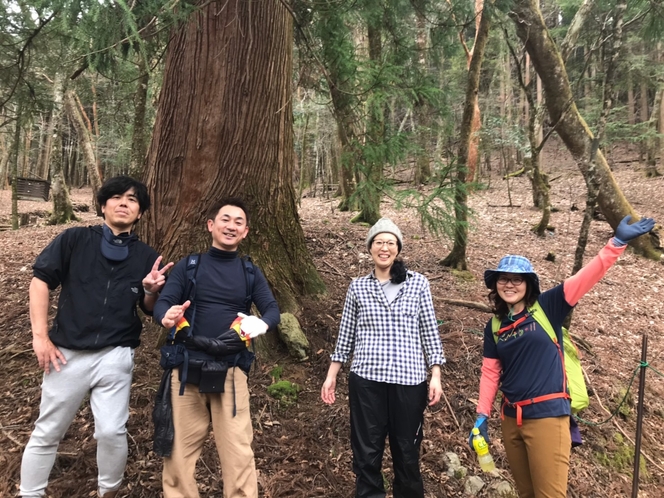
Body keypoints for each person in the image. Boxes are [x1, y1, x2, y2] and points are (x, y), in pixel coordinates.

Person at [471, 215, 656, 498]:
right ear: (495, 284)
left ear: (529, 284)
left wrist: (616, 243)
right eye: (503, 279)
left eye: (517, 279)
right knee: (527, 493)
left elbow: (586, 277)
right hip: (511, 419)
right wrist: (482, 416)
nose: (510, 284)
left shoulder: (548, 306)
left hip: (547, 417)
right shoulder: (495, 326)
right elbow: (490, 373)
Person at [20, 176, 173, 498]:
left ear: (140, 212)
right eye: (116, 197)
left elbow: (149, 309)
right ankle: (30, 493)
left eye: (132, 199)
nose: (123, 203)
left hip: (115, 354)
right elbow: (40, 281)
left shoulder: (147, 256)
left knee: (111, 431)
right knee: (48, 431)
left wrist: (150, 291)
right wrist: (40, 337)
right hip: (65, 354)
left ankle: (109, 491)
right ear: (103, 205)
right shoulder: (74, 239)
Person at [154, 197, 280, 498]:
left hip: (231, 372)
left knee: (239, 453)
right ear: (211, 225)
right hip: (186, 369)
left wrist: (260, 324)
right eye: (225, 219)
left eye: (238, 222)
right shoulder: (190, 266)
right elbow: (162, 301)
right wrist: (165, 316)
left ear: (245, 232)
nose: (231, 226)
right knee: (178, 456)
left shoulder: (250, 271)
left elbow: (272, 310)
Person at [321, 217, 445, 498]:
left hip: (409, 381)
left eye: (390, 242)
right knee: (366, 453)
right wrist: (332, 375)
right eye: (379, 242)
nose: (384, 247)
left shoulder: (418, 284)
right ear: (370, 248)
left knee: (407, 452)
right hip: (366, 382)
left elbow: (429, 331)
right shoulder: (358, 287)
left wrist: (435, 374)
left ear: (398, 248)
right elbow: (346, 335)